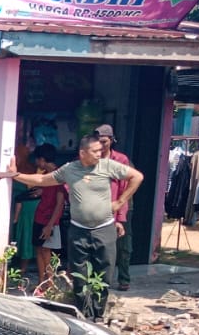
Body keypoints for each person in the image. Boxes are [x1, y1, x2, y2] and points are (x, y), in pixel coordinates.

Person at [13, 134, 144, 320]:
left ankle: (97, 315)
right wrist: (16, 175)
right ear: (83, 153)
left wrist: (121, 201)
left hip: (104, 229)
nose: (100, 154)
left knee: (104, 274)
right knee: (79, 275)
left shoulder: (107, 166)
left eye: (101, 150)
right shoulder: (70, 169)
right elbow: (43, 180)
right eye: (95, 151)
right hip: (78, 230)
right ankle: (83, 314)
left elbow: (137, 176)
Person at [94, 124, 136, 291]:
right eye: (97, 141)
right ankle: (101, 280)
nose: (100, 145)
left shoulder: (121, 160)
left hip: (122, 206)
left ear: (111, 140)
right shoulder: (91, 157)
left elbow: (127, 187)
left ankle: (124, 278)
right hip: (97, 208)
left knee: (123, 245)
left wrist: (120, 213)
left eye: (103, 141)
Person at [30, 146, 65, 285]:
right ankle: (41, 283)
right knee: (39, 250)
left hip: (49, 220)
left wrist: (50, 225)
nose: (36, 163)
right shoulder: (45, 176)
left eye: (37, 160)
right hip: (40, 217)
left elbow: (60, 203)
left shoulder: (59, 176)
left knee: (46, 252)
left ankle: (49, 284)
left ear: (42, 160)